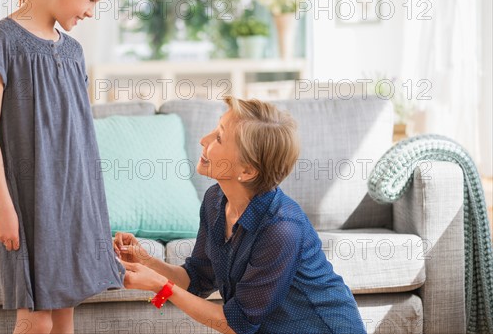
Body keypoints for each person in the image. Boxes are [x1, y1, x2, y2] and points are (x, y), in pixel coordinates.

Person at [0, 0, 123, 334]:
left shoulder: (73, 52)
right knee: (35, 320)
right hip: (28, 203)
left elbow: (79, 138)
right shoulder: (1, 40)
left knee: (64, 316)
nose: (92, 10)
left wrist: (94, 211)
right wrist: (2, 207)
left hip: (75, 201)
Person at [114, 97, 367, 334]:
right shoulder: (215, 201)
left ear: (247, 171)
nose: (204, 139)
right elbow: (197, 279)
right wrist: (148, 262)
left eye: (219, 138)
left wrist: (161, 286)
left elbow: (237, 324)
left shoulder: (282, 228)